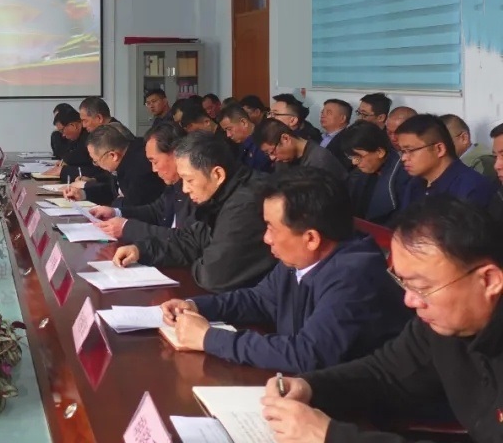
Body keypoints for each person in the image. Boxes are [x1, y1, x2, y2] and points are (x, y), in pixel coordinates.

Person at [261, 196, 503, 443]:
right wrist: (309, 387)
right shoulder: (438, 326)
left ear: (489, 281)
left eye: (422, 287)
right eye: (403, 283)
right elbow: (385, 374)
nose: (410, 300)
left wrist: (330, 436)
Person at [160, 168, 408, 372]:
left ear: (311, 238)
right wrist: (196, 306)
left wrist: (208, 338)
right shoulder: (300, 259)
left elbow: (308, 354)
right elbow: (259, 300)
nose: (266, 238)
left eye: (271, 228)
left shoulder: (354, 277)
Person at [112, 132, 276, 292]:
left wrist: (199, 258)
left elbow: (213, 276)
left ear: (217, 174)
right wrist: (142, 250)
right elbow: (192, 239)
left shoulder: (244, 204)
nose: (185, 189)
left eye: (189, 180)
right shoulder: (224, 193)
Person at [93, 123, 193, 243]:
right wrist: (116, 212)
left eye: (155, 162)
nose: (153, 169)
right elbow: (156, 211)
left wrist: (127, 228)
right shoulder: (174, 185)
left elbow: (184, 239)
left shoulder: (196, 190)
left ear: (176, 153)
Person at [396, 114, 498, 215]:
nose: (403, 158)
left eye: (410, 150)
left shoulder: (472, 187)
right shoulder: (414, 184)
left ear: (439, 149)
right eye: (402, 151)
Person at [64, 124, 164, 218]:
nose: (96, 165)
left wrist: (117, 203)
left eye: (96, 161)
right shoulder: (124, 158)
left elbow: (133, 206)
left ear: (112, 155)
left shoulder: (140, 167)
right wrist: (83, 193)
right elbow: (113, 191)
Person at [341, 122, 411, 225]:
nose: (354, 162)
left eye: (358, 156)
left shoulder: (403, 177)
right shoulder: (360, 173)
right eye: (351, 156)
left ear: (380, 152)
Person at [254, 118, 349, 182]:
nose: (272, 158)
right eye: (267, 153)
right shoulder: (283, 159)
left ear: (285, 139)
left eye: (272, 152)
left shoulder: (319, 160)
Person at [441, 114, 498, 181]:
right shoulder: (451, 164)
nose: (440, 149)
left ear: (464, 138)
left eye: (445, 142)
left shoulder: (483, 163)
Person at [217, 104, 272, 172]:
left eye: (229, 129)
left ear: (244, 122)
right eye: (225, 131)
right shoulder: (240, 144)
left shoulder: (263, 142)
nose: (228, 135)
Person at [319, 98, 354, 169]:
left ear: (342, 119)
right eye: (322, 112)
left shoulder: (349, 141)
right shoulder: (318, 135)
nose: (323, 115)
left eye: (329, 113)